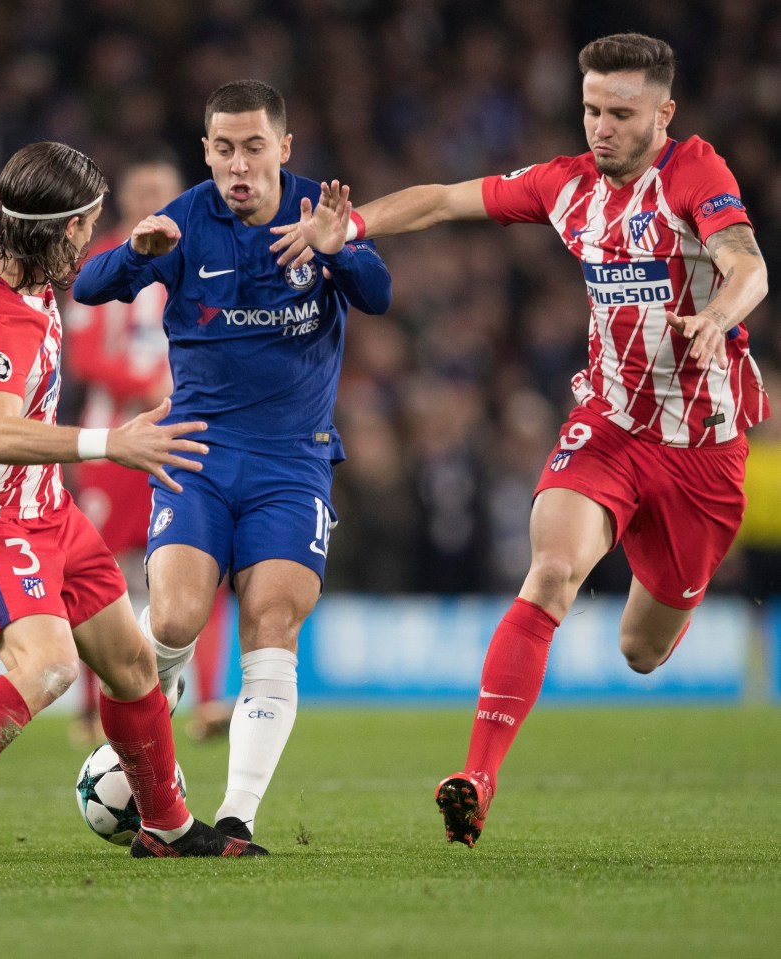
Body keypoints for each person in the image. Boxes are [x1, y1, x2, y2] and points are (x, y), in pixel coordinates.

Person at [272, 32, 770, 847]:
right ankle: (477, 776)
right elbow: (440, 199)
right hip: (607, 426)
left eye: (621, 113)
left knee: (643, 650)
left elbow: (745, 262)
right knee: (550, 571)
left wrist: (717, 315)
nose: (601, 128)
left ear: (664, 113)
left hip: (702, 452)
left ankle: (673, 598)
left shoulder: (695, 173)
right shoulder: (565, 186)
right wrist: (351, 226)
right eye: (590, 110)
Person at [0, 141, 267, 874]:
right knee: (48, 665)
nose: (88, 240)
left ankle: (166, 824)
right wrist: (112, 442)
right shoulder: (2, 318)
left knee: (132, 662)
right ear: (59, 229)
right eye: (86, 226)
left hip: (46, 506)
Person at [73, 80, 392, 842]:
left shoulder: (321, 210)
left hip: (293, 462)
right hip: (198, 456)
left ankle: (237, 815)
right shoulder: (185, 219)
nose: (239, 163)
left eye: (254, 147)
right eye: (224, 148)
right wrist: (132, 256)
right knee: (176, 616)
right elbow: (88, 288)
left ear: (284, 147)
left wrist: (338, 247)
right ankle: (155, 784)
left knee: (270, 620)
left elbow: (377, 293)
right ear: (207, 151)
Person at [64, 156, 234, 746]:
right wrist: (148, 386)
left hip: (185, 439)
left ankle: (208, 702)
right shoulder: (102, 264)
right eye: (140, 190)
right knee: (96, 574)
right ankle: (91, 710)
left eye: (161, 191)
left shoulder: (208, 256)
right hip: (113, 446)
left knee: (201, 569)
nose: (150, 201)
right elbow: (82, 357)